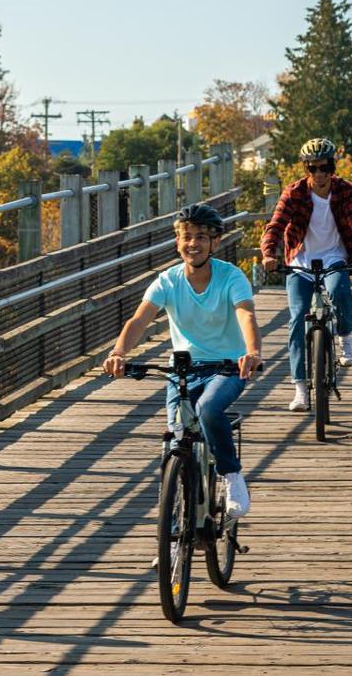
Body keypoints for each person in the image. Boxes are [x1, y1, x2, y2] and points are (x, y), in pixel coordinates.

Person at [105, 203, 264, 518]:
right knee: (176, 440)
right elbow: (139, 320)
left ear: (215, 242)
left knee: (208, 409)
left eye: (202, 237)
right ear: (177, 242)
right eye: (186, 236)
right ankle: (174, 533)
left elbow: (245, 313)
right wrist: (119, 352)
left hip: (227, 367)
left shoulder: (231, 277)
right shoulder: (168, 280)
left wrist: (253, 351)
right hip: (184, 370)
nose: (193, 243)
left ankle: (231, 475)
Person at [261, 137, 352, 413]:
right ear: (306, 169)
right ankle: (300, 388)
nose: (319, 174)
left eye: (324, 167)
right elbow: (275, 226)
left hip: (334, 256)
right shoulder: (294, 193)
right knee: (297, 318)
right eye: (313, 168)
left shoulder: (344, 190)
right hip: (300, 260)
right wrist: (268, 254)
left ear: (332, 167)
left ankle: (345, 337)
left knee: (339, 290)